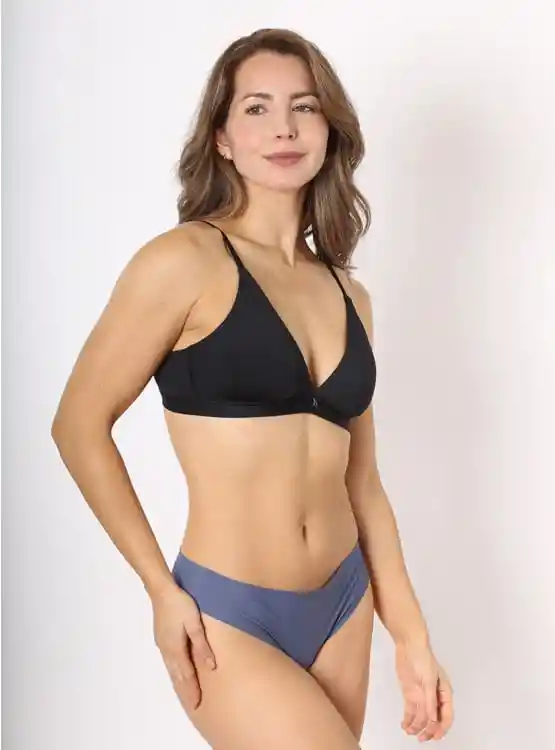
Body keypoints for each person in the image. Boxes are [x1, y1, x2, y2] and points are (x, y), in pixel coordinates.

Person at [51, 27, 454, 749]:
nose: (284, 128)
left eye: (304, 106)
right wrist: (159, 589)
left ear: (329, 128)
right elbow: (78, 426)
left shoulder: (349, 296)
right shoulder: (183, 261)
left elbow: (362, 483)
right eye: (257, 108)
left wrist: (412, 636)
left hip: (344, 603)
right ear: (222, 138)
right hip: (227, 610)